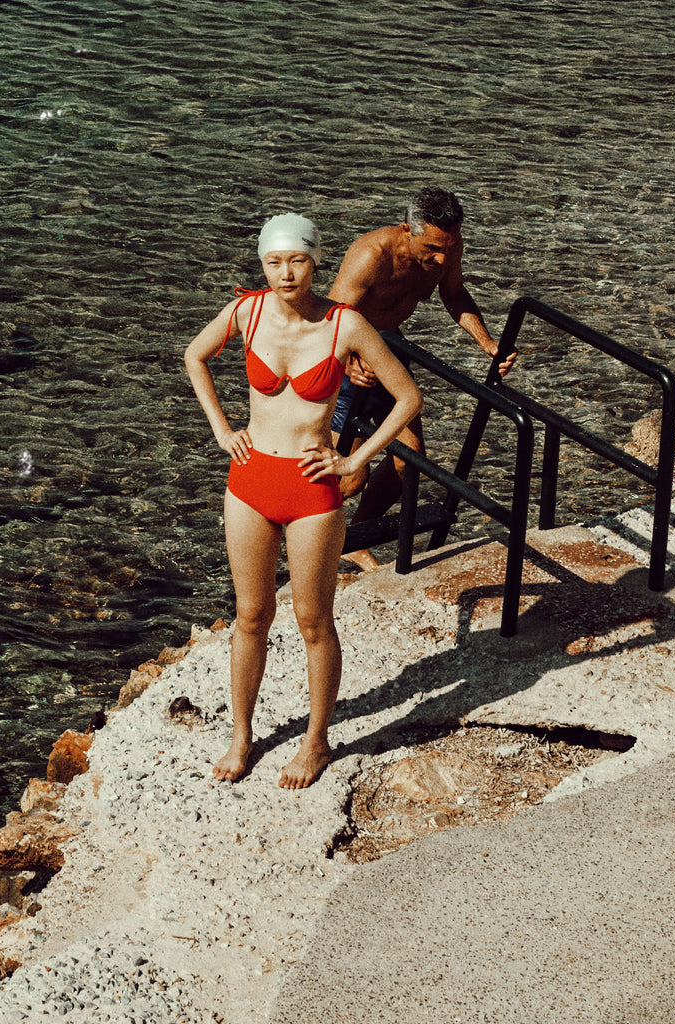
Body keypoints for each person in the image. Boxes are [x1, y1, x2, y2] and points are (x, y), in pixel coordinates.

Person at [184, 213, 421, 789]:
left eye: (297, 261)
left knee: (314, 621)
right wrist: (221, 430)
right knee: (250, 616)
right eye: (274, 262)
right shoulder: (247, 311)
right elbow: (195, 356)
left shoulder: (345, 326)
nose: (286, 273)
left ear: (315, 262)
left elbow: (408, 396)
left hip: (314, 488)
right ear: (262, 264)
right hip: (249, 481)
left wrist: (354, 459)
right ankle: (242, 736)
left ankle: (316, 742)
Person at [328, 185, 517, 571]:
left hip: (390, 351)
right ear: (407, 230)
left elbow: (454, 293)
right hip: (347, 358)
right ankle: (302, 535)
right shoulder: (371, 256)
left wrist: (487, 342)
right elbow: (330, 317)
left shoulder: (448, 248)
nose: (442, 256)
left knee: (408, 462)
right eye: (432, 247)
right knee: (349, 475)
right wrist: (348, 360)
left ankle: (354, 538)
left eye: (449, 246)